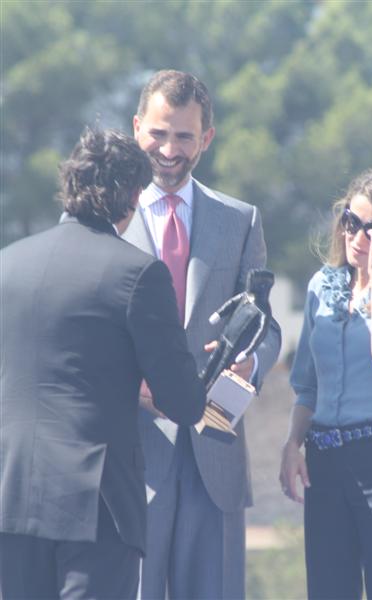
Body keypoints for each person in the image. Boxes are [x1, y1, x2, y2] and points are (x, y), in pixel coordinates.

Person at [0, 127, 206, 600]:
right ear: (132, 196)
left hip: (11, 494)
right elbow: (183, 402)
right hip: (97, 504)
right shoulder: (139, 274)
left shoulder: (7, 264)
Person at [123, 69, 281, 599]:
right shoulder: (104, 218)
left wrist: (251, 362)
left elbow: (266, 325)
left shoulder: (240, 220)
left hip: (214, 455)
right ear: (137, 127)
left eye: (184, 137)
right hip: (130, 456)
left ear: (206, 138)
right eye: (158, 134)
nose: (169, 150)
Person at [279, 165, 372, 600]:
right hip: (325, 462)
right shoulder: (322, 286)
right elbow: (307, 385)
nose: (357, 236)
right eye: (351, 221)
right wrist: (292, 444)